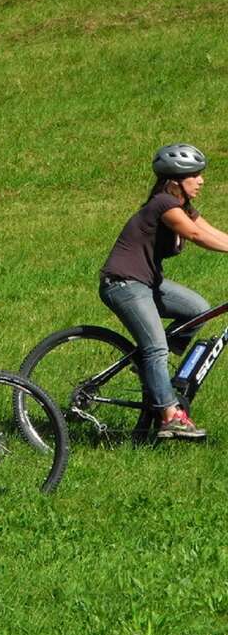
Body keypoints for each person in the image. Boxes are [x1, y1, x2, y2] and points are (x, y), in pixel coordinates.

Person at [99, 143, 228, 439]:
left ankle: (151, 366)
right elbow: (196, 235)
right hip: (124, 284)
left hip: (147, 283)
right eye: (195, 175)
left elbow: (210, 231)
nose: (202, 181)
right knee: (155, 347)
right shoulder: (162, 204)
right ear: (176, 180)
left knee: (198, 310)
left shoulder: (182, 207)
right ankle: (170, 416)